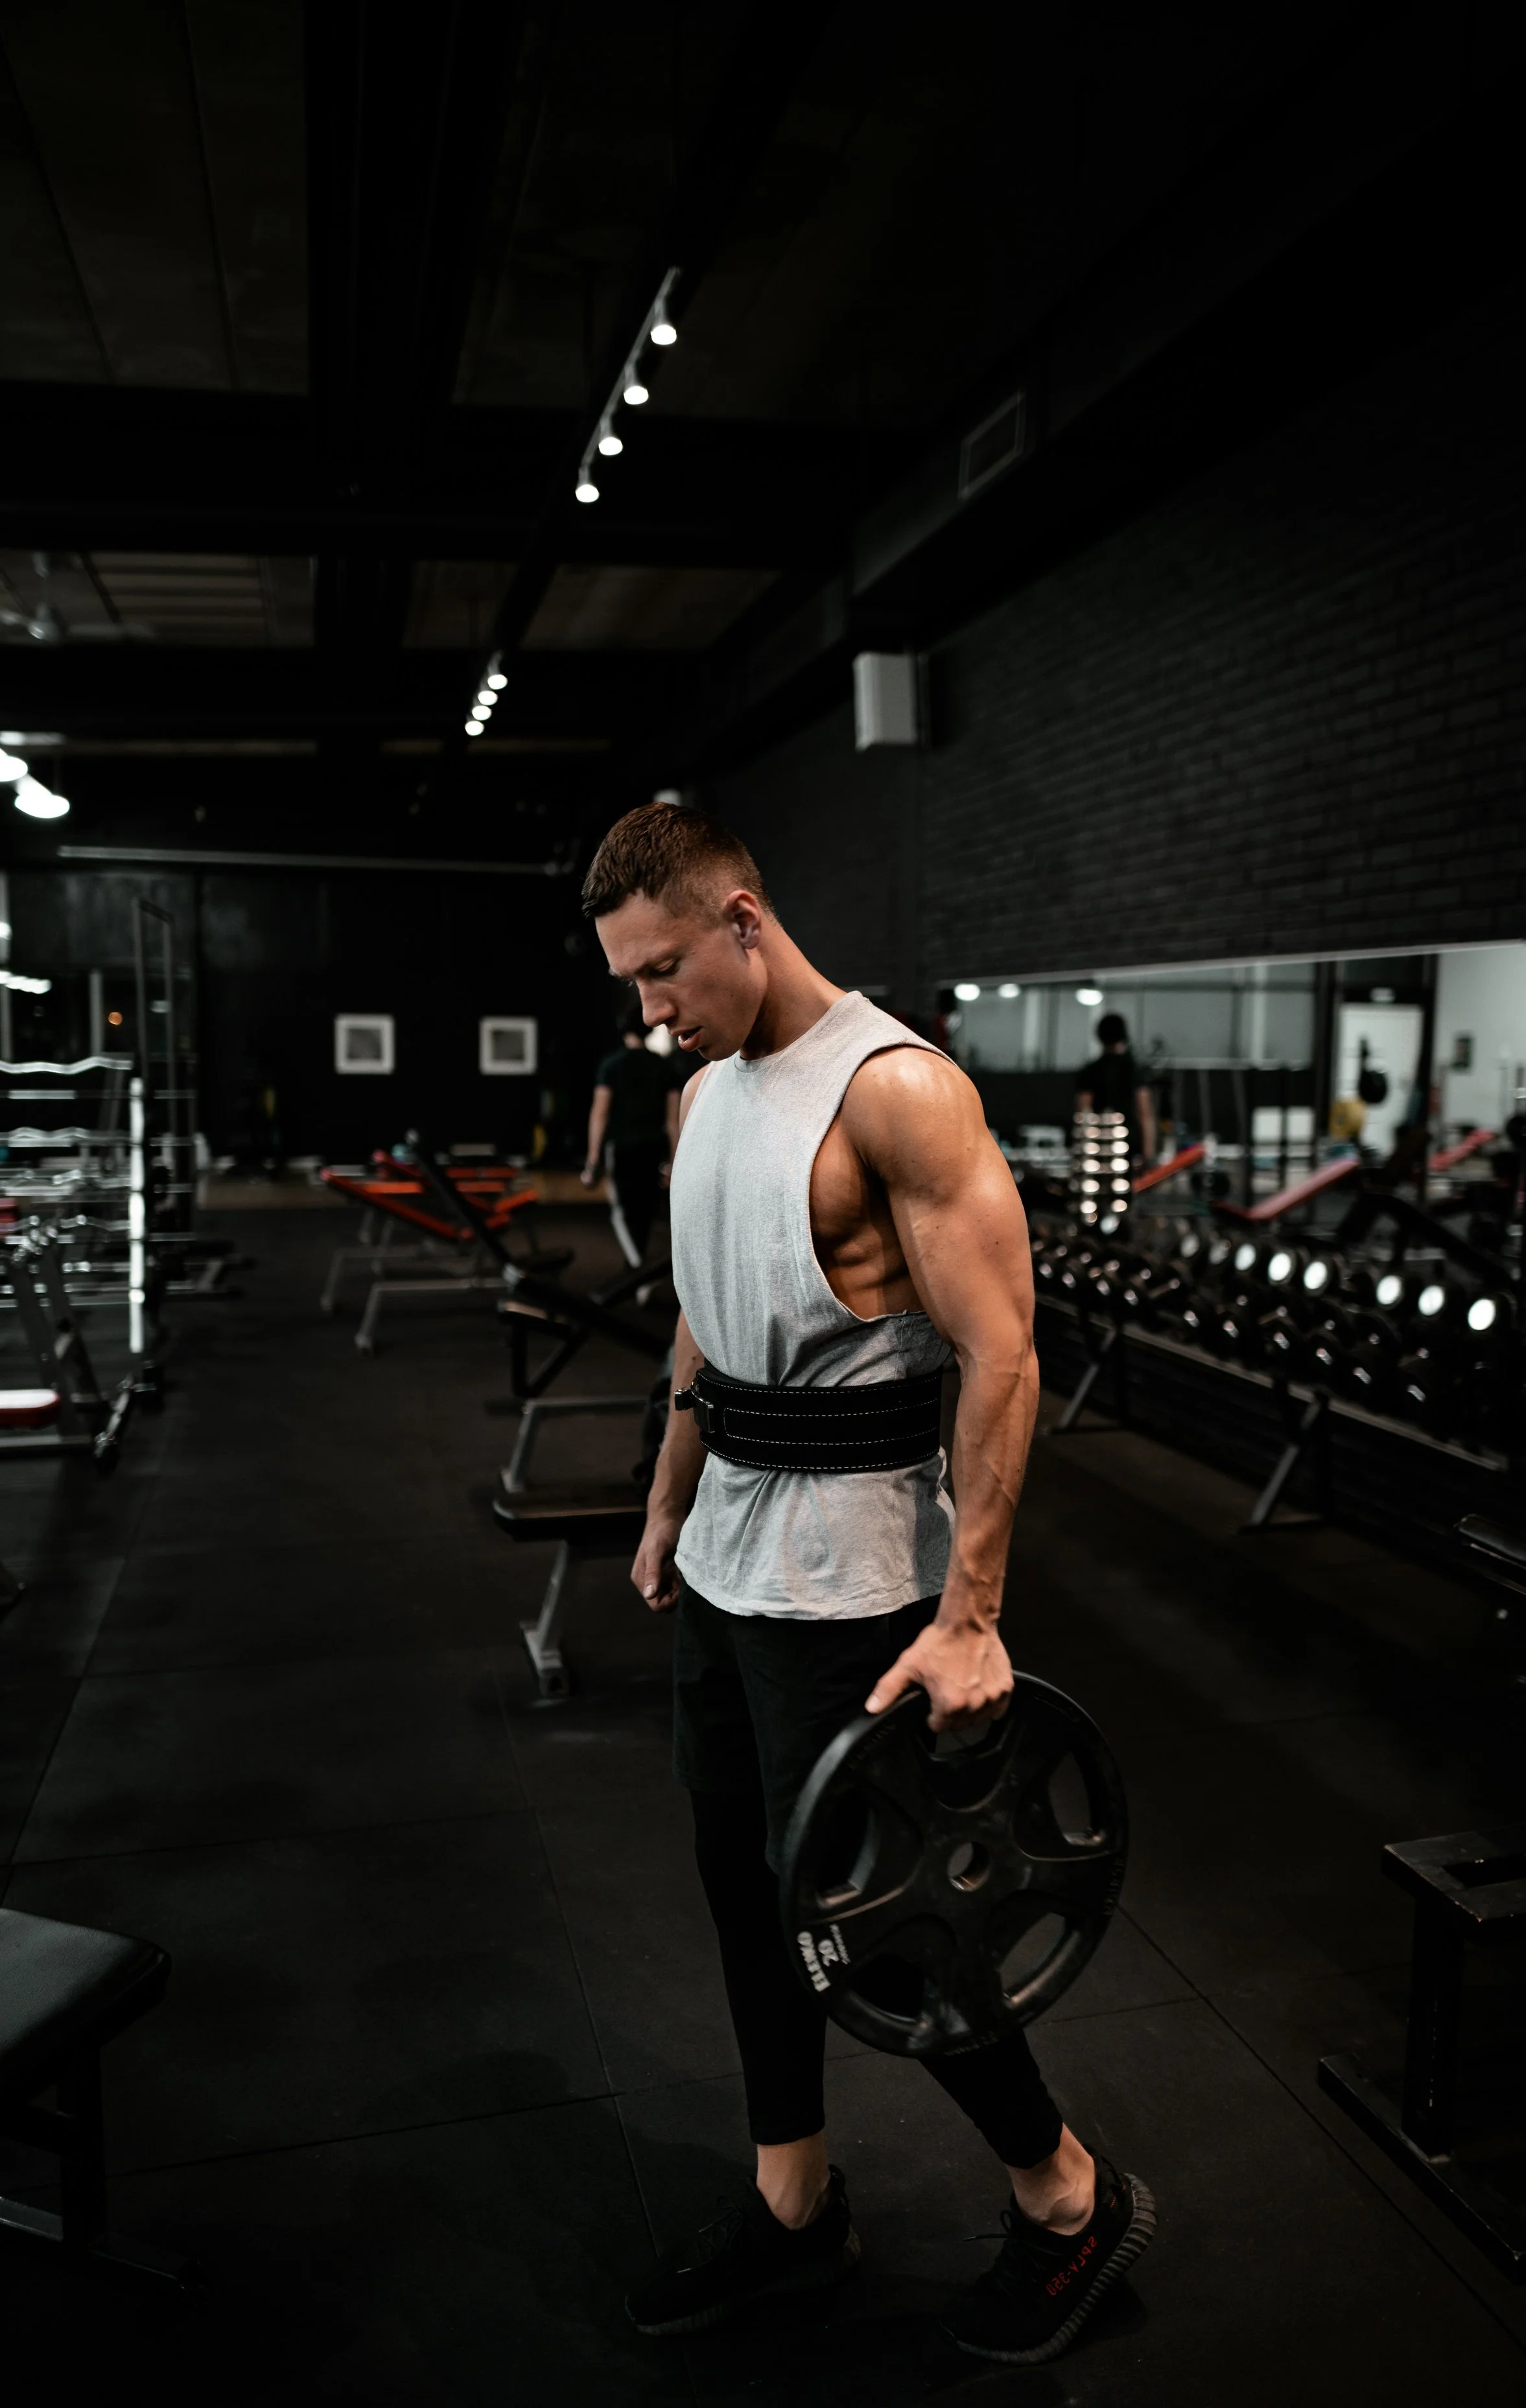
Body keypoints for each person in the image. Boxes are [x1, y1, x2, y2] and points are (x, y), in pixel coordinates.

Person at [581, 802, 1155, 2367]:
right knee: (741, 1886)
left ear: (745, 917)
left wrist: (968, 1613)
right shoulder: (703, 1101)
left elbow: (1003, 1353)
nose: (650, 1008)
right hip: (725, 1565)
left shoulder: (896, 1091)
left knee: (880, 1922)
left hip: (856, 1582)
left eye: (665, 970)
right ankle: (793, 2207)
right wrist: (662, 1507)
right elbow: (705, 1323)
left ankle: (1065, 2194)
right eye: (629, 982)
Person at [581, 1009, 679, 1269]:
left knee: (623, 1214)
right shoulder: (665, 1067)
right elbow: (672, 1122)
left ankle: (638, 1273)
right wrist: (674, 1162)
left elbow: (599, 1114)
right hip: (653, 1149)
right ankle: (639, 1273)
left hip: (623, 1149)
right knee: (644, 1213)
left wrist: (592, 1163)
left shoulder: (611, 1065)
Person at [1074, 1012, 1156, 1164]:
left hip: (1099, 1149)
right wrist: (1148, 1152)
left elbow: (1083, 1112)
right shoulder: (1136, 1070)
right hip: (1130, 1147)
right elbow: (1145, 1112)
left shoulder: (1091, 1071)